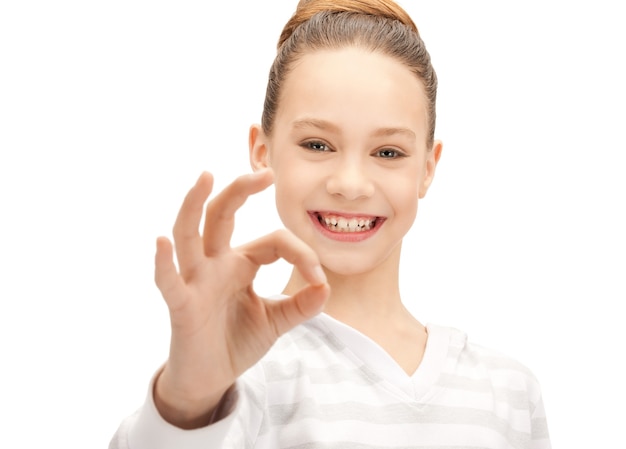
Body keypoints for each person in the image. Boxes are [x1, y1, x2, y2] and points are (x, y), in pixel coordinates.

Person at [110, 0, 551, 447]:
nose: (351, 184)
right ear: (262, 150)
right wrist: (188, 400)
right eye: (317, 144)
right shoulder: (240, 376)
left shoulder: (507, 394)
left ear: (428, 168)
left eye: (388, 152)